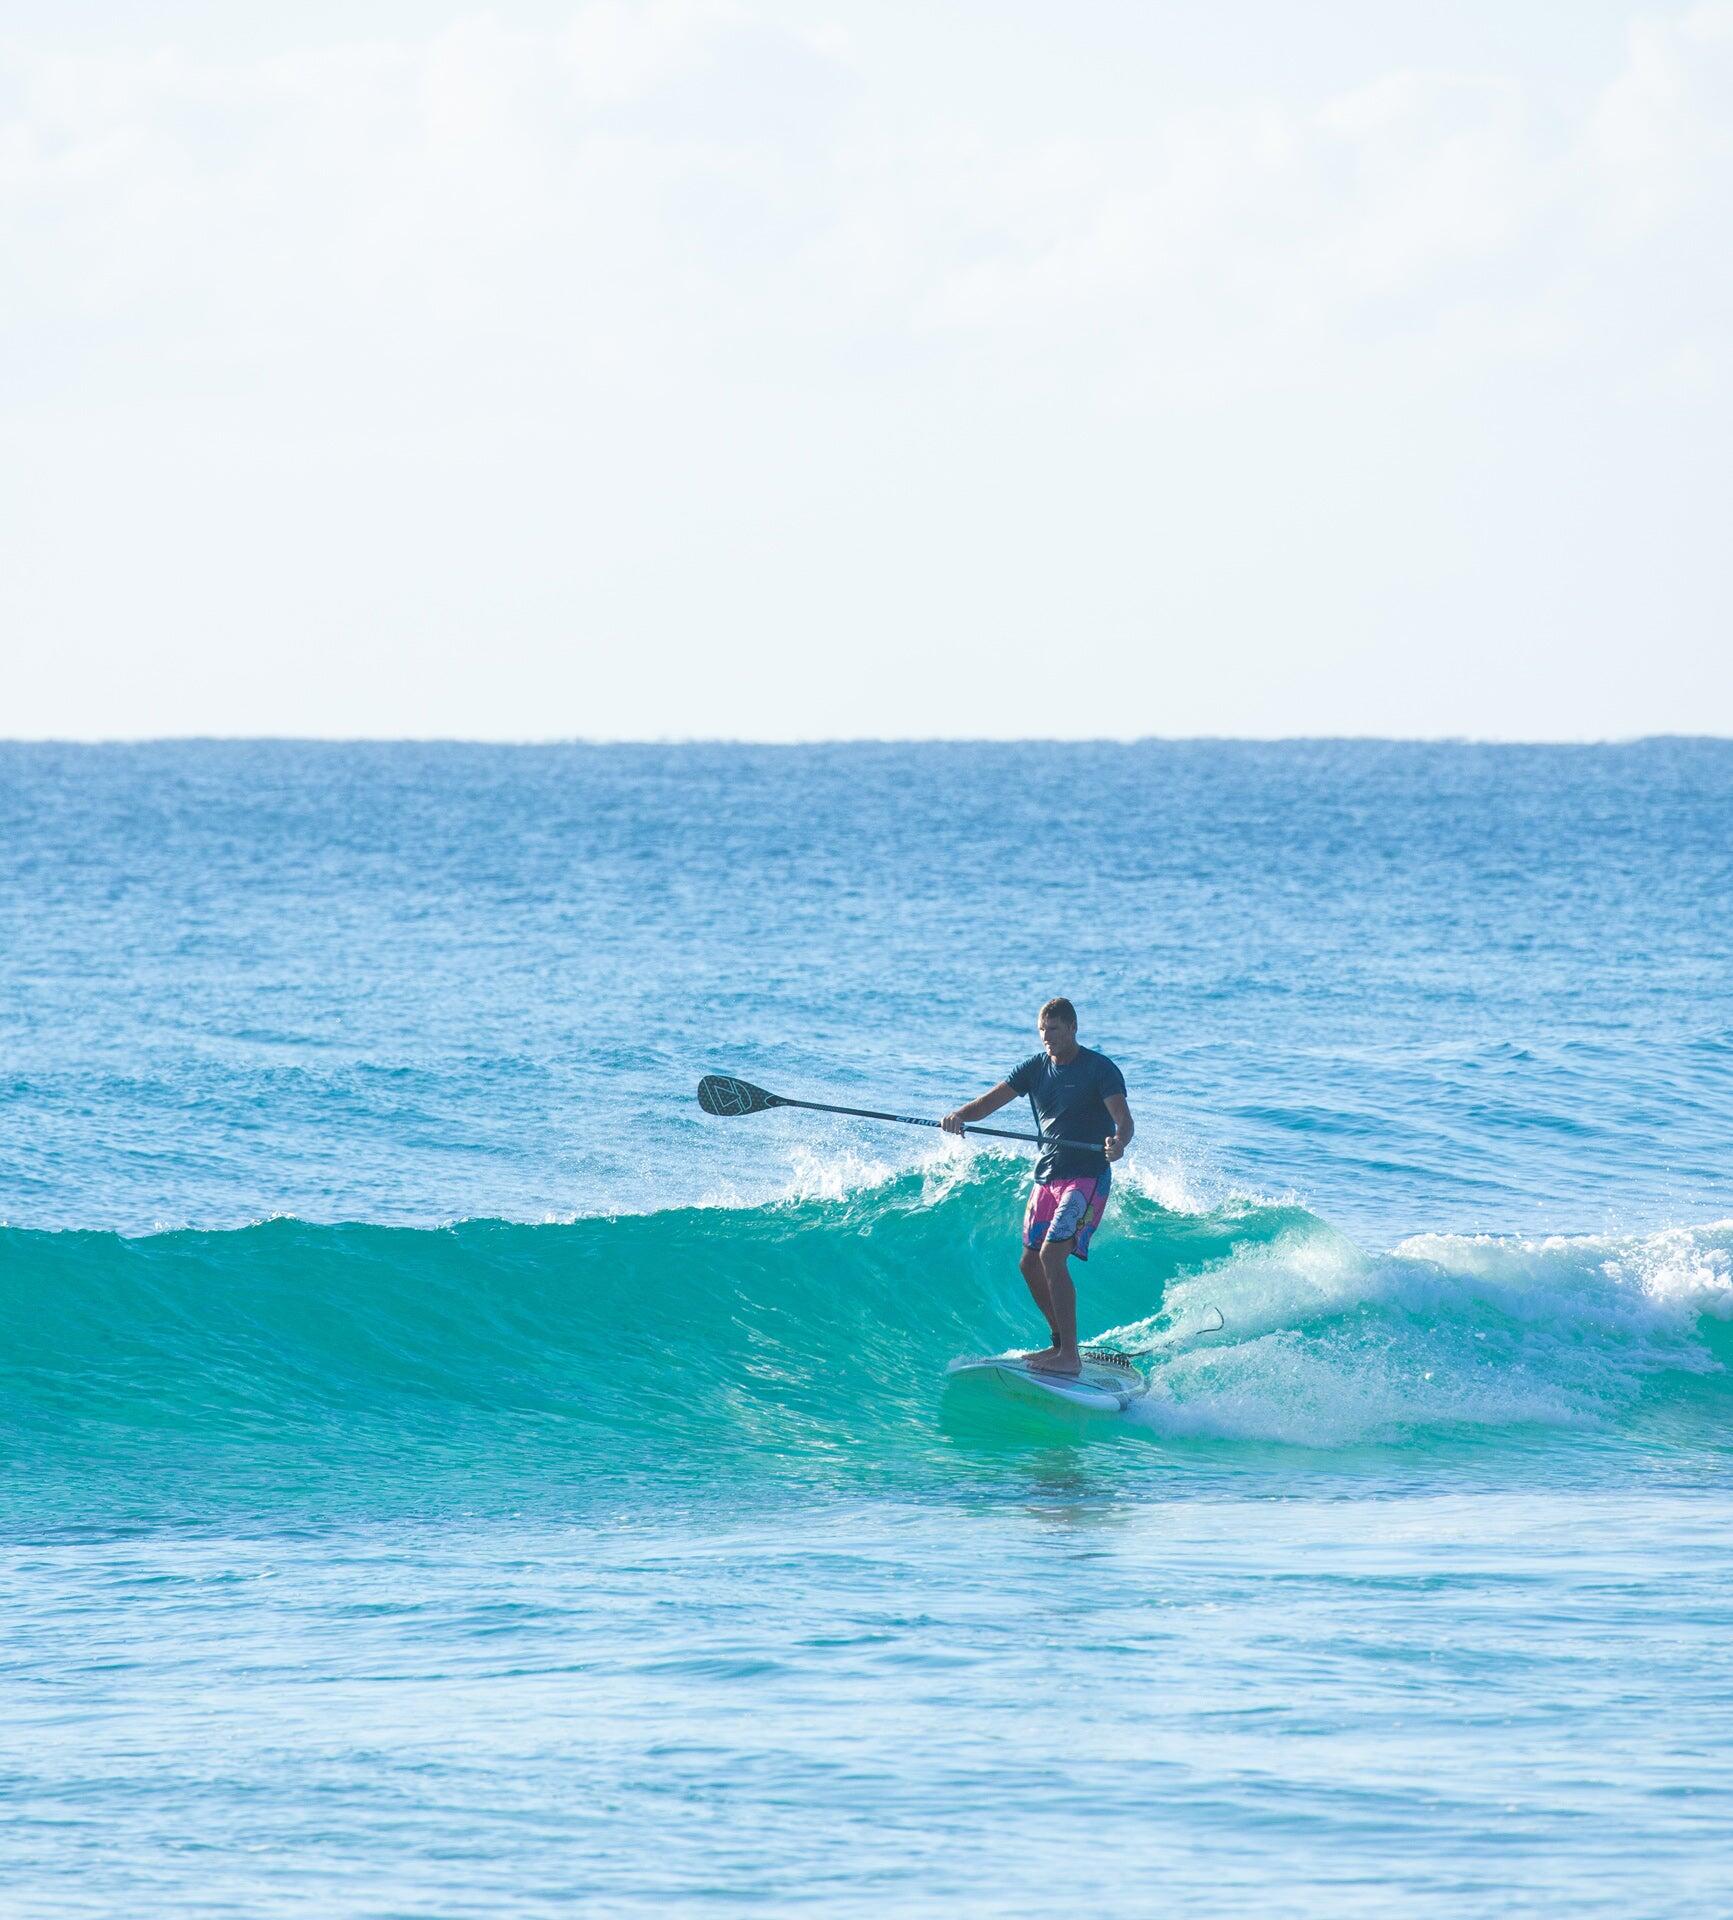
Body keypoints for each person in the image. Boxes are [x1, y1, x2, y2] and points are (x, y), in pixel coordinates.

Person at [942, 997, 1133, 1375]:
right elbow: (988, 1103)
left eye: (1055, 1030)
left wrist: (1119, 1143)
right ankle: (1060, 1343)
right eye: (1043, 1031)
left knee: (1051, 1257)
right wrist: (959, 1116)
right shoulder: (1034, 1068)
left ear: (1073, 1028)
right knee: (1029, 1263)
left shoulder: (1100, 1069)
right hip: (1048, 1175)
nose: (1048, 1037)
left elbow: (1123, 1121)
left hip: (1086, 1176)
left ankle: (1070, 1358)